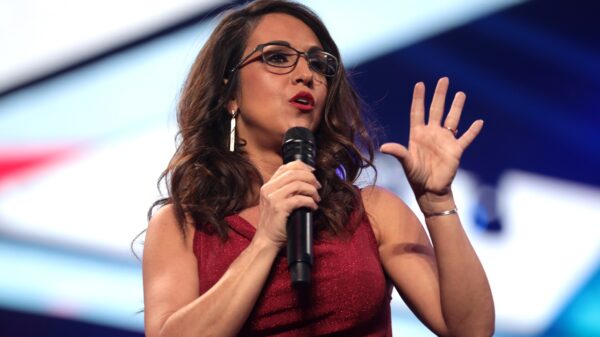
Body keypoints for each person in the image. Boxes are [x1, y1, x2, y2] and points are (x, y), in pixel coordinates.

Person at [142, 0, 495, 336]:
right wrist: (265, 240)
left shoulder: (372, 212)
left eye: (318, 64)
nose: (305, 75)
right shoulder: (181, 227)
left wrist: (437, 201)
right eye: (278, 57)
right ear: (230, 94)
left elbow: (471, 329)